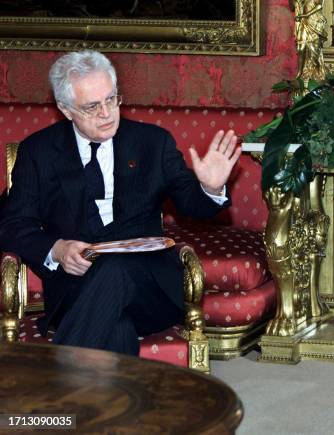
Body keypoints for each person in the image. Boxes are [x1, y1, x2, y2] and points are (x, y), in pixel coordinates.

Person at [0, 50, 241, 355]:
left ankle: (51, 382)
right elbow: (11, 224)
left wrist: (210, 187)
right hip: (77, 292)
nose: (106, 113)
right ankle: (108, 401)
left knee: (115, 268)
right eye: (91, 106)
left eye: (111, 99)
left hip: (150, 289)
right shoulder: (40, 151)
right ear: (65, 108)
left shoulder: (153, 143)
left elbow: (194, 206)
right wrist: (57, 249)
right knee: (116, 332)